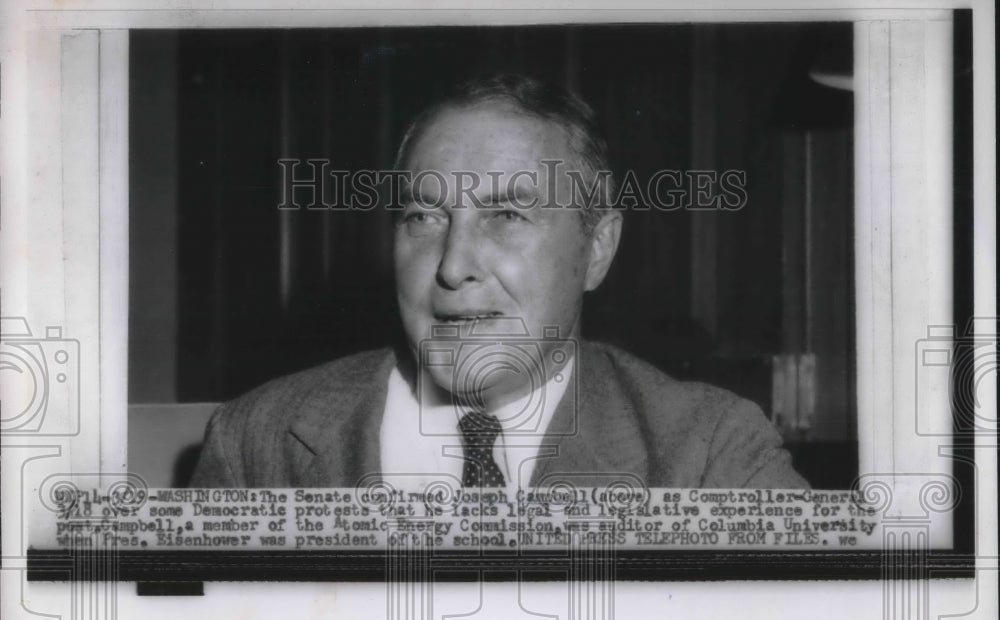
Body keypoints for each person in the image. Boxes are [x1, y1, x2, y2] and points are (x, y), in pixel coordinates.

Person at [190, 74, 808, 491]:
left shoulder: (710, 453)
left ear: (597, 249)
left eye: (507, 216)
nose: (452, 266)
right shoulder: (256, 443)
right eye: (424, 217)